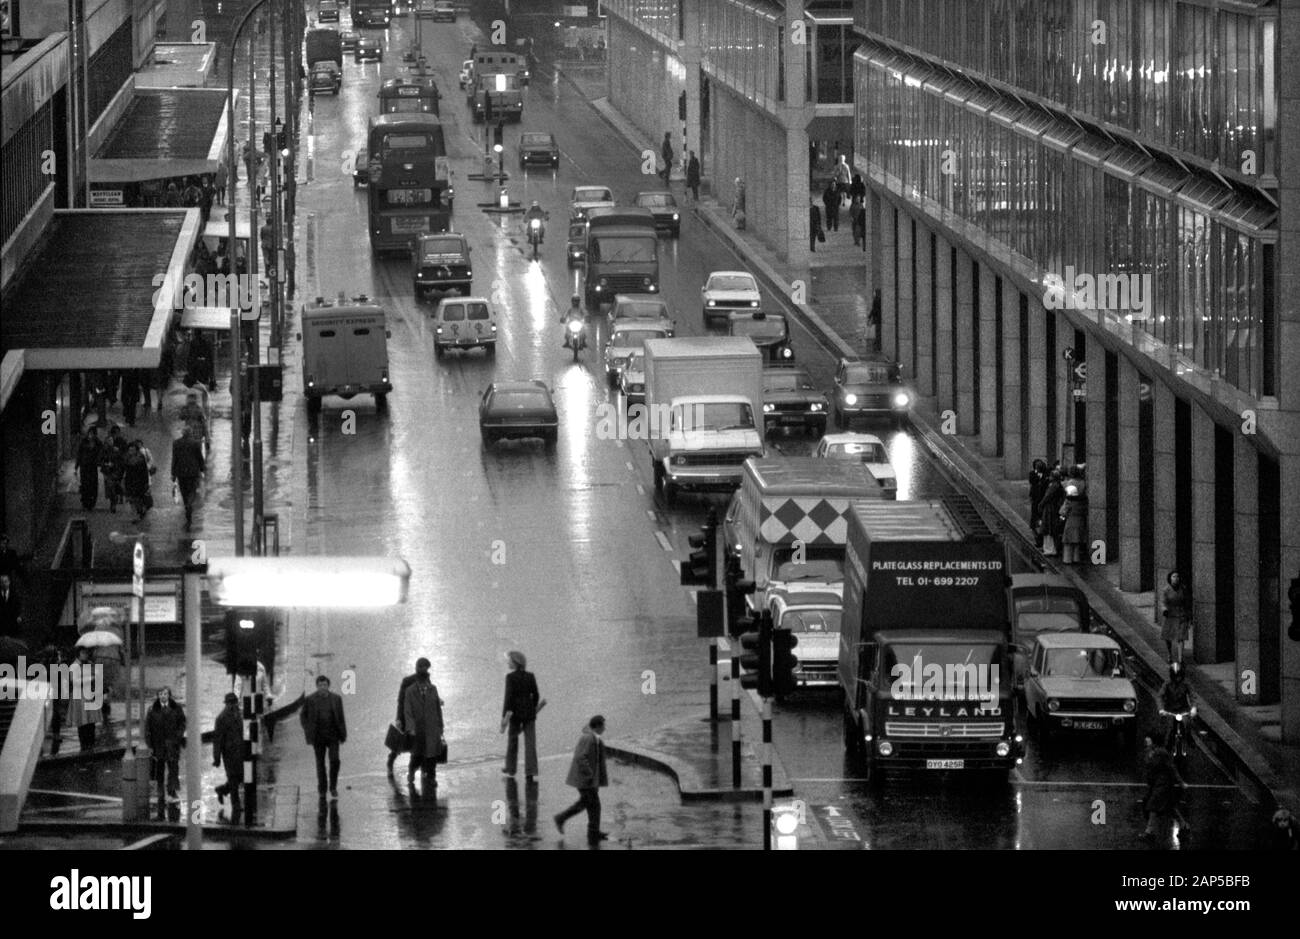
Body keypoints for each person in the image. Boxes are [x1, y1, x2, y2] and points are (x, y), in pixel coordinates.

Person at [554, 715, 610, 845]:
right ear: (597, 726)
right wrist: (590, 774)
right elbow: (580, 757)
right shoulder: (588, 738)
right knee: (588, 803)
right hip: (584, 779)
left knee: (593, 804)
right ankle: (561, 818)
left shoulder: (594, 738)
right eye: (603, 726)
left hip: (589, 780)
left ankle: (593, 831)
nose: (604, 728)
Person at [300, 675, 347, 799]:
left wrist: (343, 735)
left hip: (333, 736)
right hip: (318, 737)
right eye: (320, 685)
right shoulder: (310, 700)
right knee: (320, 764)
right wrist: (308, 729)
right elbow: (303, 716)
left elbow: (341, 718)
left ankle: (333, 786)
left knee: (335, 760)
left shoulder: (336, 699)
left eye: (324, 685)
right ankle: (322, 789)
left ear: (328, 686)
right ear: (317, 686)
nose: (322, 688)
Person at [402, 660, 444, 790]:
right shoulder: (410, 691)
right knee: (417, 755)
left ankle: (431, 777)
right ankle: (412, 771)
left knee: (431, 756)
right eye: (422, 683)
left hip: (432, 728)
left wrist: (441, 726)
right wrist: (411, 728)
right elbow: (407, 711)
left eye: (426, 683)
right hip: (418, 730)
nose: (424, 685)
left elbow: (438, 709)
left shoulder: (433, 689)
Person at [501, 651, 541, 781]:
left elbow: (508, 698)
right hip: (529, 713)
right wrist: (532, 707)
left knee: (513, 741)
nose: (508, 662)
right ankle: (531, 771)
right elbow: (536, 695)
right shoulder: (530, 676)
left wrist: (504, 717)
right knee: (530, 743)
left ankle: (511, 768)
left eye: (509, 661)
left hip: (515, 714)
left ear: (514, 663)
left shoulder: (510, 677)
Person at [145, 687, 186, 804]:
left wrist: (178, 737)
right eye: (161, 694)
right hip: (158, 745)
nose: (163, 696)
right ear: (158, 696)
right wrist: (150, 746)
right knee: (159, 770)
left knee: (173, 768)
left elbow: (182, 723)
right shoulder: (152, 709)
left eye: (165, 694)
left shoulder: (176, 708)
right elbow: (147, 728)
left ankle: (172, 791)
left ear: (169, 695)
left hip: (172, 744)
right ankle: (160, 792)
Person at [1139, 745, 1185, 846]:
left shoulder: (1161, 753)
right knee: (1169, 807)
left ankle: (1149, 832)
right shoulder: (1150, 753)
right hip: (1158, 785)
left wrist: (1181, 782)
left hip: (1163, 785)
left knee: (1153, 806)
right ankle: (1184, 826)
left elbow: (1172, 768)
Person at [387, 659, 425, 772]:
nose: (424, 670)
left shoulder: (426, 680)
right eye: (422, 667)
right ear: (417, 667)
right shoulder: (407, 681)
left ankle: (413, 770)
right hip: (406, 717)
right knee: (399, 742)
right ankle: (391, 760)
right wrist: (398, 718)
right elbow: (401, 700)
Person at [213, 692, 244, 815]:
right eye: (231, 703)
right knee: (233, 777)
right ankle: (236, 805)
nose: (233, 705)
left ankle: (222, 790)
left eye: (234, 703)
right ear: (227, 704)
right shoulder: (221, 718)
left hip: (240, 751)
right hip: (229, 753)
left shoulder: (239, 714)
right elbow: (217, 740)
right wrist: (217, 758)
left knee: (240, 777)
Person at [171, 425, 206, 531]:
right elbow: (199, 457)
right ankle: (189, 503)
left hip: (181, 472)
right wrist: (202, 469)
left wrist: (173, 473)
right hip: (193, 472)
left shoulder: (176, 443)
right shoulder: (195, 443)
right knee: (192, 490)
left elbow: (174, 459)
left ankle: (187, 503)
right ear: (190, 433)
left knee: (184, 491)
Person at [66, 647, 100, 751]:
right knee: (82, 721)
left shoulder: (89, 664)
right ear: (78, 654)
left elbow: (97, 675)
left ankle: (91, 743)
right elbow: (74, 681)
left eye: (86, 653)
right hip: (79, 696)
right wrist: (90, 678)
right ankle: (84, 745)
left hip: (89, 695)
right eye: (83, 653)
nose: (86, 655)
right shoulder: (74, 666)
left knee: (91, 721)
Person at [1158, 662, 1195, 752]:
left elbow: (1192, 695)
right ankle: (1168, 745)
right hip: (1170, 710)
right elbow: (1160, 696)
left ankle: (1189, 737)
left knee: (1187, 723)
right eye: (1175, 676)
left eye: (1179, 676)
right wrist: (1161, 709)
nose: (1177, 679)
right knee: (1169, 728)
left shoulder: (1186, 684)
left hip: (1183, 709)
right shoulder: (1167, 684)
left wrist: (1193, 707)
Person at [1161, 571, 1191, 663]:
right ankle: (1169, 654)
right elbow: (1163, 602)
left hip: (1181, 615)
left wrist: (1189, 616)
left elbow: (1187, 602)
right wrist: (1164, 609)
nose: (1176, 578)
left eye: (1177, 576)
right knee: (1168, 636)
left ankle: (1180, 659)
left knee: (1181, 637)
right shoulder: (1166, 590)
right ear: (1170, 578)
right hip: (1170, 615)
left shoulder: (1183, 589)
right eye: (1174, 576)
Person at [1037, 467, 1065, 556]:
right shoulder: (1058, 485)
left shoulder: (1054, 486)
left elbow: (1047, 497)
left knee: (1048, 528)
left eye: (1051, 476)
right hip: (1053, 508)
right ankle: (1048, 548)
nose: (1049, 477)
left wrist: (1040, 504)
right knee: (1049, 528)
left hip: (1050, 509)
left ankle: (1050, 549)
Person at [121, 442, 152, 521]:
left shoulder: (141, 459)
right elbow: (123, 470)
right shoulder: (126, 458)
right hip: (129, 482)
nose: (131, 451)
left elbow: (145, 472)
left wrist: (146, 483)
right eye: (129, 450)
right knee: (131, 500)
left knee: (138, 499)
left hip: (139, 482)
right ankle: (134, 516)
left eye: (132, 450)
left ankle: (140, 510)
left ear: (136, 451)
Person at [98, 428, 126, 514]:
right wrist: (105, 464)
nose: (110, 442)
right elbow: (99, 460)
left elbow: (121, 460)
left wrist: (116, 465)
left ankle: (114, 502)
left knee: (112, 486)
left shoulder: (116, 450)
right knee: (110, 488)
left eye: (111, 440)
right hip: (107, 472)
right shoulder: (104, 451)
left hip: (115, 472)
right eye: (108, 440)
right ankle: (113, 500)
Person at [1058, 483, 1088, 564]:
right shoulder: (1083, 501)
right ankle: (1076, 558)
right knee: (1077, 542)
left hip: (1070, 522)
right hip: (1080, 522)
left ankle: (1067, 560)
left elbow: (1062, 512)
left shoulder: (1068, 502)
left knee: (1068, 542)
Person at [75, 427, 102, 511]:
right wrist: (77, 466)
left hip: (92, 466)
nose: (90, 435)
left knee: (93, 484)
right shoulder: (83, 442)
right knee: (85, 484)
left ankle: (91, 503)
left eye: (92, 433)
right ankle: (85, 502)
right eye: (89, 433)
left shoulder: (98, 443)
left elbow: (101, 452)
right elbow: (79, 453)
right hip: (84, 466)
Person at [1028, 458, 1049, 547]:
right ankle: (1037, 537)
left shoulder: (1047, 475)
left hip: (1042, 500)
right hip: (1035, 499)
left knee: (1041, 519)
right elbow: (1033, 482)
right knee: (1034, 519)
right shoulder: (1032, 474)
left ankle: (1041, 538)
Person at [0, 573, 22, 638]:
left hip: (12, 624)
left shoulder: (15, 594)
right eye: (1, 582)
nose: (4, 584)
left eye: (5, 581)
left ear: (9, 582)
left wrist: (19, 616)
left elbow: (19, 606)